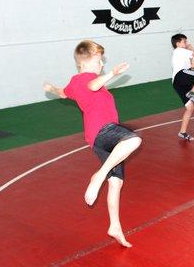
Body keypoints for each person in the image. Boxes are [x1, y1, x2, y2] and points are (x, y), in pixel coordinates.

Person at [43, 40, 142, 248]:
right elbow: (93, 85)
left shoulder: (73, 85)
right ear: (85, 62)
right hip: (104, 131)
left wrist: (50, 87)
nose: (102, 65)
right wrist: (112, 73)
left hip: (99, 140)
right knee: (134, 139)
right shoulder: (85, 79)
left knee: (116, 182)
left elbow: (63, 92)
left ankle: (114, 225)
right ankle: (99, 175)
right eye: (99, 61)